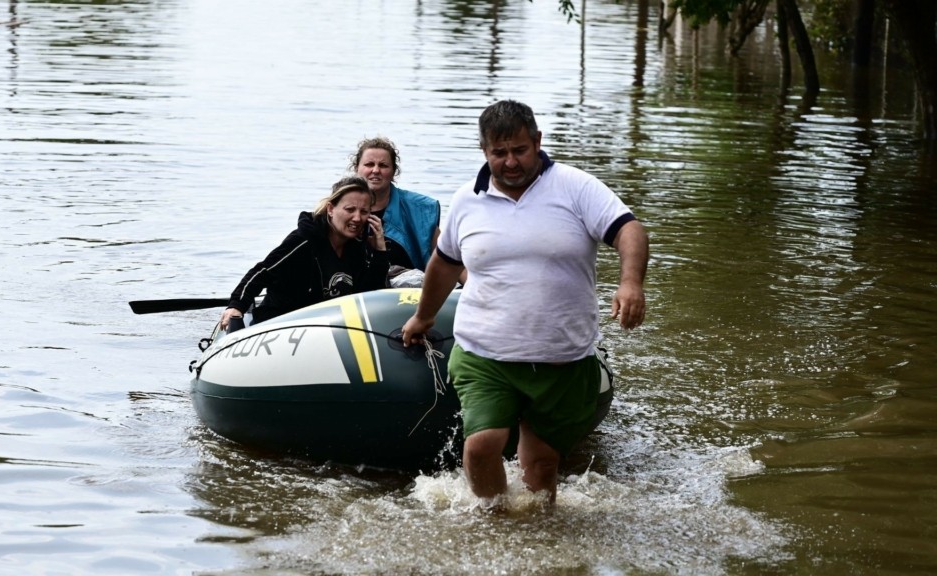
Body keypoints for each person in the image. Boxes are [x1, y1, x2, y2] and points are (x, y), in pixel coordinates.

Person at [401, 100, 649, 506]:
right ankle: (493, 525)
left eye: (519, 150)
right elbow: (444, 265)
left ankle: (538, 535)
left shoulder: (575, 187)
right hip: (485, 352)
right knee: (482, 446)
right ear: (485, 151)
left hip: (562, 360)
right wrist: (423, 317)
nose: (510, 162)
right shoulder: (468, 199)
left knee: (541, 467)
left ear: (537, 141)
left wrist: (630, 284)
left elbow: (629, 230)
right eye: (499, 153)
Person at [219, 175, 388, 329]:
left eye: (364, 212)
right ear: (330, 209)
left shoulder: (358, 247)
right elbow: (262, 272)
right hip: (279, 327)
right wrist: (236, 306)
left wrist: (380, 251)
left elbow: (368, 296)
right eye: (350, 209)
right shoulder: (304, 240)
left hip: (328, 329)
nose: (357, 218)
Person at [350, 137, 440, 274]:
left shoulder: (421, 210)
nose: (375, 170)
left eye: (383, 165)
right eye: (369, 164)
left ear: (394, 172)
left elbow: (449, 259)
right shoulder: (338, 206)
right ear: (357, 169)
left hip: (410, 287)